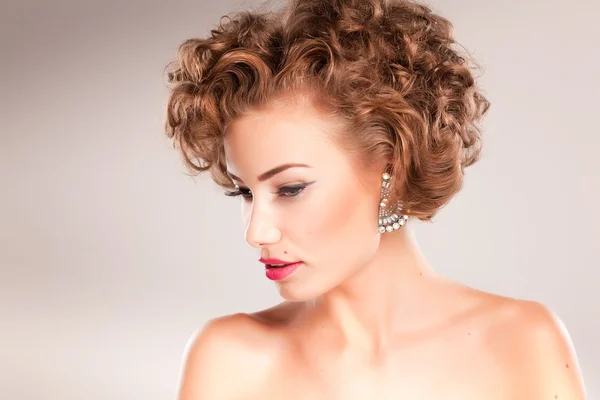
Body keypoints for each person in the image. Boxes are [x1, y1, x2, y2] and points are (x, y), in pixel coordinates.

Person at [163, 0, 586, 398]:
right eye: (245, 192)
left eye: (290, 189)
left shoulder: (523, 344)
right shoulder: (229, 362)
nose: (257, 232)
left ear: (394, 168)